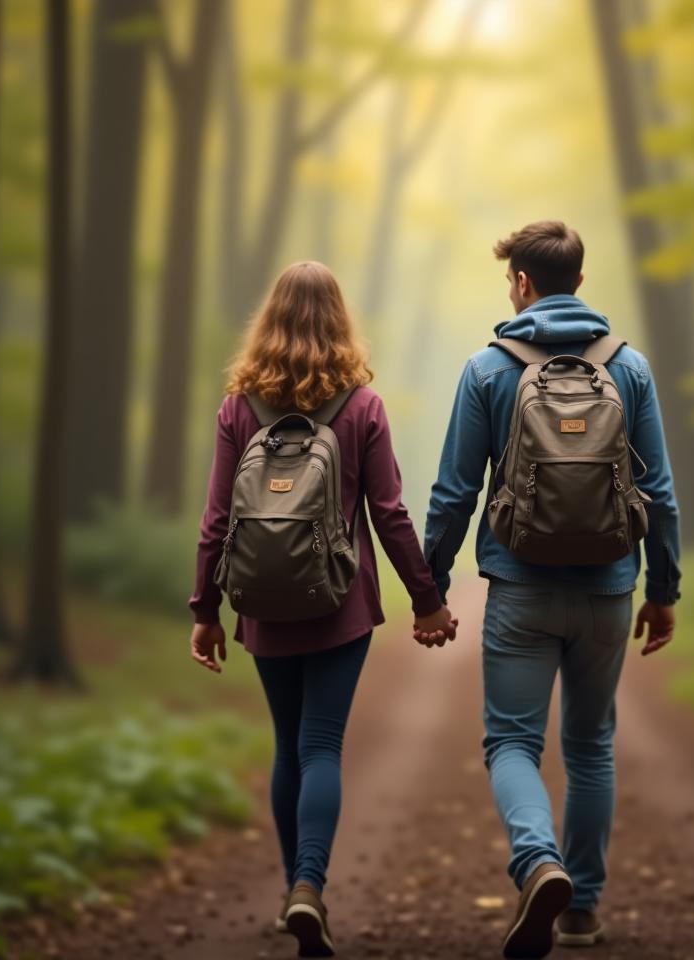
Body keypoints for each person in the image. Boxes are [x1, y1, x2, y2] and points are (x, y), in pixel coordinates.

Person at [423, 221, 681, 958]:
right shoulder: (627, 368)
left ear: (523, 284)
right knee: (592, 745)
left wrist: (430, 589)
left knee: (511, 740)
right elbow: (657, 490)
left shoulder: (487, 369)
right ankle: (583, 911)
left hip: (520, 586)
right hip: (607, 588)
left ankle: (539, 861)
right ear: (580, 280)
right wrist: (663, 588)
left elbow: (453, 493)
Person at [188, 261, 458, 958]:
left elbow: (217, 519)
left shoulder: (238, 406)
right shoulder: (362, 405)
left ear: (269, 320)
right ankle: (311, 886)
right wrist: (426, 601)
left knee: (289, 746)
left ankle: (291, 894)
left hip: (262, 605)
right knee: (322, 746)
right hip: (339, 602)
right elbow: (390, 513)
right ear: (339, 320)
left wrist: (205, 610)